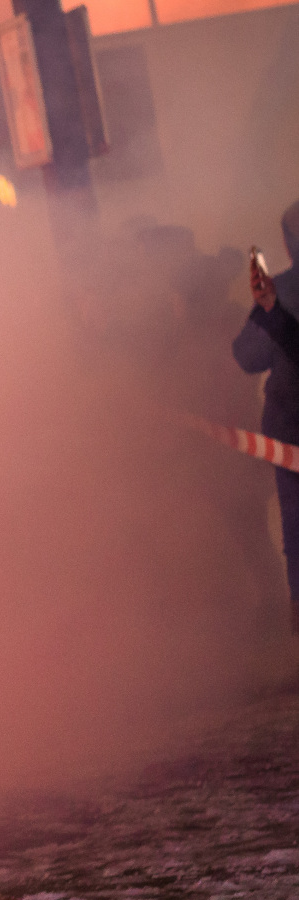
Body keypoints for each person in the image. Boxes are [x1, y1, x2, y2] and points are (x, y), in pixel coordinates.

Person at [233, 201, 299, 630]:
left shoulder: (283, 291)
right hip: (290, 427)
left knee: (297, 524)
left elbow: (247, 355)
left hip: (291, 427)